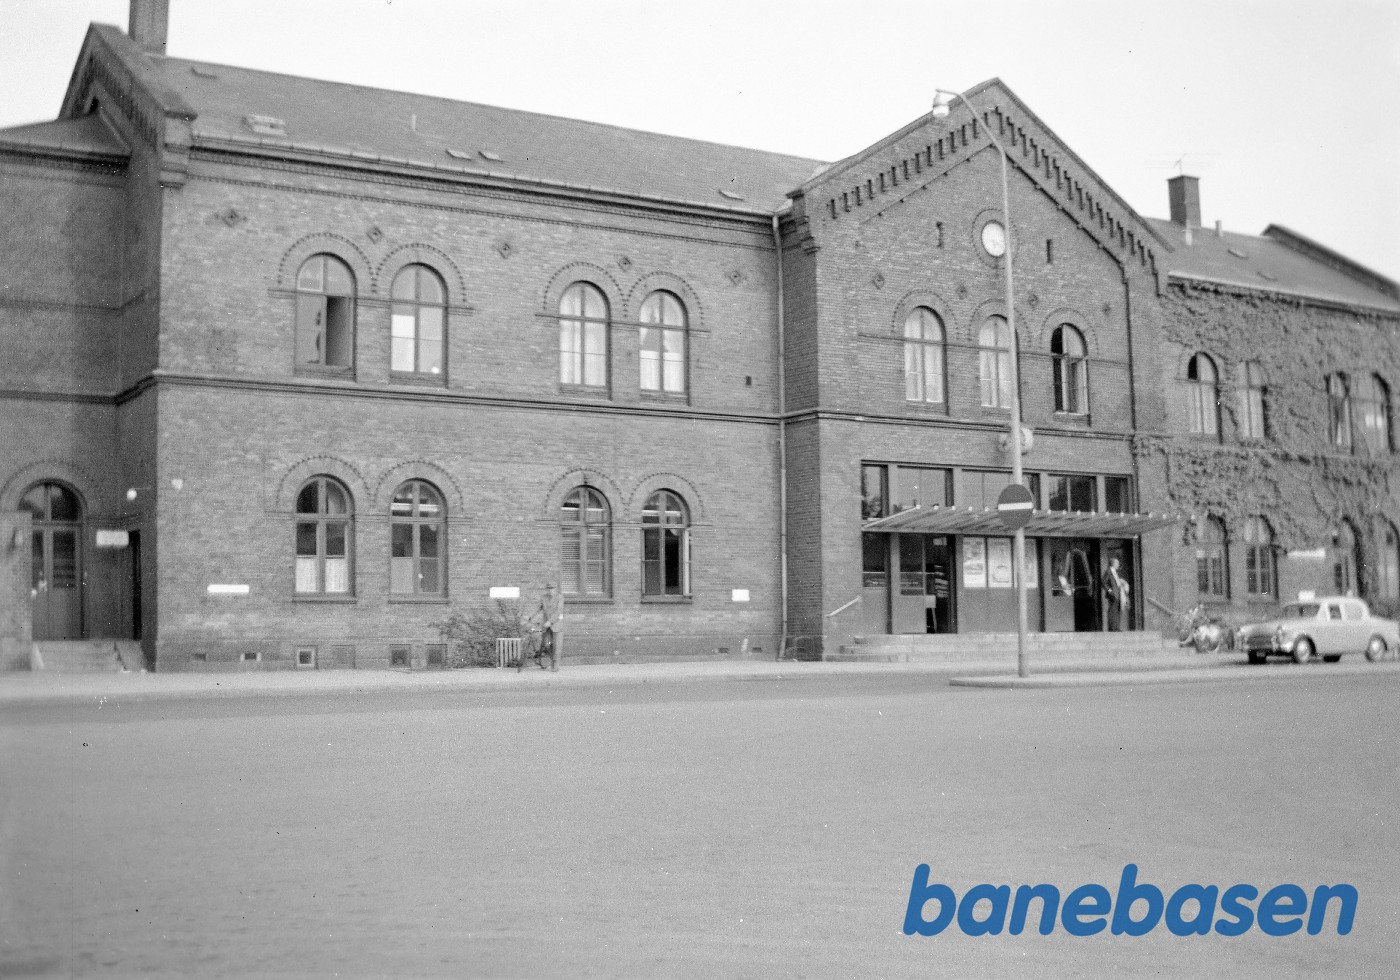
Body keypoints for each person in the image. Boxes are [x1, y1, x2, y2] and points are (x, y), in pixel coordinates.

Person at [518, 582, 561, 672]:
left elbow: (558, 611)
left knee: (556, 645)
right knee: (546, 644)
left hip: (556, 624)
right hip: (546, 625)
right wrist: (529, 616)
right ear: (546, 589)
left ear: (555, 589)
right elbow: (537, 608)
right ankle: (551, 661)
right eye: (548, 589)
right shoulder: (543, 597)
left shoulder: (560, 597)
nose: (550, 591)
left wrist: (550, 621)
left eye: (552, 589)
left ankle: (555, 665)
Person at [1103, 558, 1130, 631]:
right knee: (1112, 610)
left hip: (1118, 594)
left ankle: (1117, 627)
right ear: (1113, 563)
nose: (1118, 565)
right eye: (1117, 563)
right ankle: (1112, 628)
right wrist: (1110, 591)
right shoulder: (1109, 571)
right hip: (1113, 594)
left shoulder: (1115, 572)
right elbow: (1104, 582)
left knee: (1117, 610)